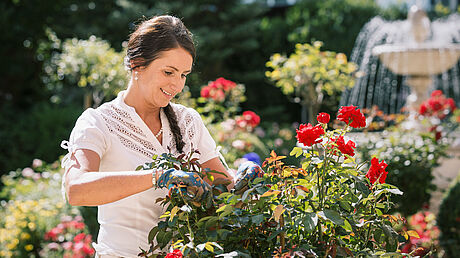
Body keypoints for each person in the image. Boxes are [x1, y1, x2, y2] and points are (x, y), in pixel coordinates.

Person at [61, 15, 237, 257]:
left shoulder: (188, 121)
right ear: (138, 64)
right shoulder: (99, 122)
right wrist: (158, 176)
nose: (177, 85)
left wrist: (248, 181)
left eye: (184, 75)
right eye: (169, 72)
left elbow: (223, 186)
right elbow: (77, 190)